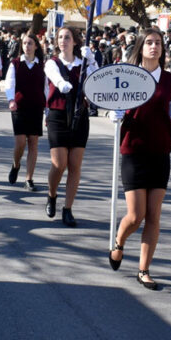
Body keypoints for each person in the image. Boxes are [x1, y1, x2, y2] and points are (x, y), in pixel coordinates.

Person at [107, 28, 171, 291]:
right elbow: (110, 104)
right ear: (141, 47)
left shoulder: (170, 81)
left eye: (158, 43)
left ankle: (144, 270)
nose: (154, 47)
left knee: (154, 214)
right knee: (136, 214)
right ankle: (119, 240)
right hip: (133, 149)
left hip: (160, 151)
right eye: (149, 43)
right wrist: (114, 114)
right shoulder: (127, 75)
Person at [43, 26, 97, 227]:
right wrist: (61, 83)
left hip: (79, 115)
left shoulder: (83, 65)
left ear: (75, 41)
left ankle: (67, 208)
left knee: (75, 165)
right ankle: (52, 194)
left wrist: (91, 61)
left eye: (67, 37)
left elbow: (97, 81)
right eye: (60, 37)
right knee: (59, 164)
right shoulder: (52, 62)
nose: (63, 40)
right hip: (58, 115)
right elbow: (55, 77)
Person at [4, 33, 46, 191]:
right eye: (25, 43)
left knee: (33, 143)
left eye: (30, 43)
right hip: (19, 106)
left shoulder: (42, 64)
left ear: (36, 46)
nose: (27, 46)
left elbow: (46, 88)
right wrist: (11, 99)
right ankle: (16, 165)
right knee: (21, 142)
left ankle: (29, 178)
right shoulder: (15, 63)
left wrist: (48, 109)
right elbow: (9, 83)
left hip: (36, 107)